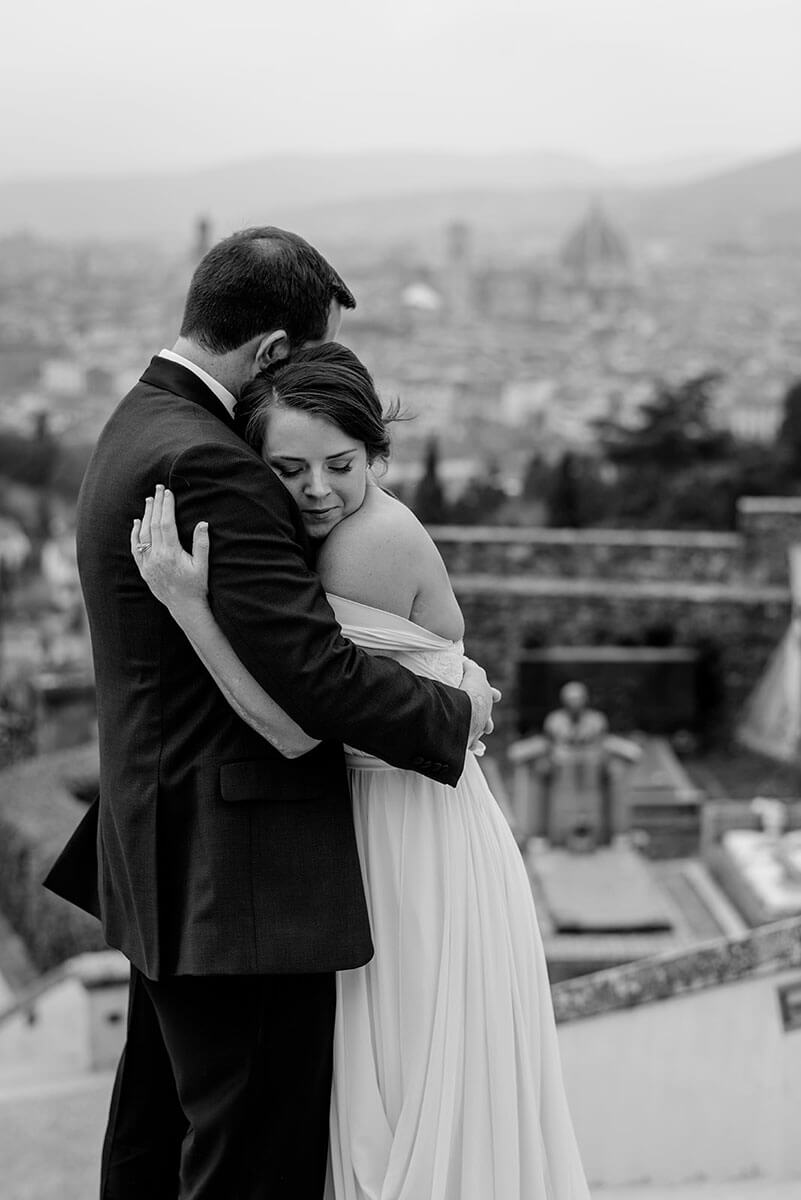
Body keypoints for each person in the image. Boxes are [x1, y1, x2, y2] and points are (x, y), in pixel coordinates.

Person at [43, 228, 497, 1200]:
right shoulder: (213, 464)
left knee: (156, 1143)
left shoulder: (136, 421)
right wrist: (458, 711)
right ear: (273, 357)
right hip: (243, 883)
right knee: (253, 1159)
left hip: (164, 851)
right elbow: (314, 679)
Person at [132, 342, 591, 1200]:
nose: (315, 489)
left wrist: (189, 608)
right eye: (288, 467)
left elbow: (300, 730)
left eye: (339, 465)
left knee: (400, 1091)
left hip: (407, 831)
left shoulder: (362, 546)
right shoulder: (344, 531)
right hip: (402, 818)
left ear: (377, 456)